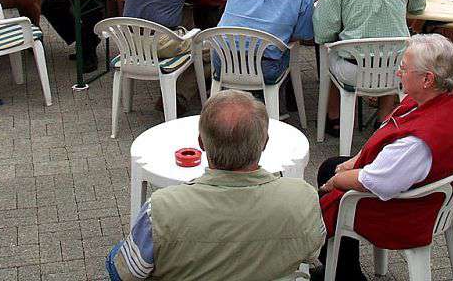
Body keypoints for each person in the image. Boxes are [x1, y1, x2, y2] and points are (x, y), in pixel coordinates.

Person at [107, 89, 326, 281]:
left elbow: (126, 272)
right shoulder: (303, 198)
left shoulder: (160, 209)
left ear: (201, 143)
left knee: (121, 256)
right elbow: (313, 250)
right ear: (265, 143)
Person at [313, 35, 453, 281]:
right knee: (332, 165)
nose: (397, 73)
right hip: (434, 191)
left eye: (403, 68)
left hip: (409, 212)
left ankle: (345, 274)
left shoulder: (417, 143)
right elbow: (387, 136)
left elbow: (377, 182)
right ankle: (341, 265)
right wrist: (353, 161)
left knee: (329, 182)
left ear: (427, 79)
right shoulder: (449, 97)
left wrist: (337, 181)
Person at [313, 0, 426, 134]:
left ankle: (336, 117)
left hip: (354, 71)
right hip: (396, 70)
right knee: (390, 51)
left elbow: (323, 33)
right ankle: (384, 117)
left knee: (334, 51)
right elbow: (419, 5)